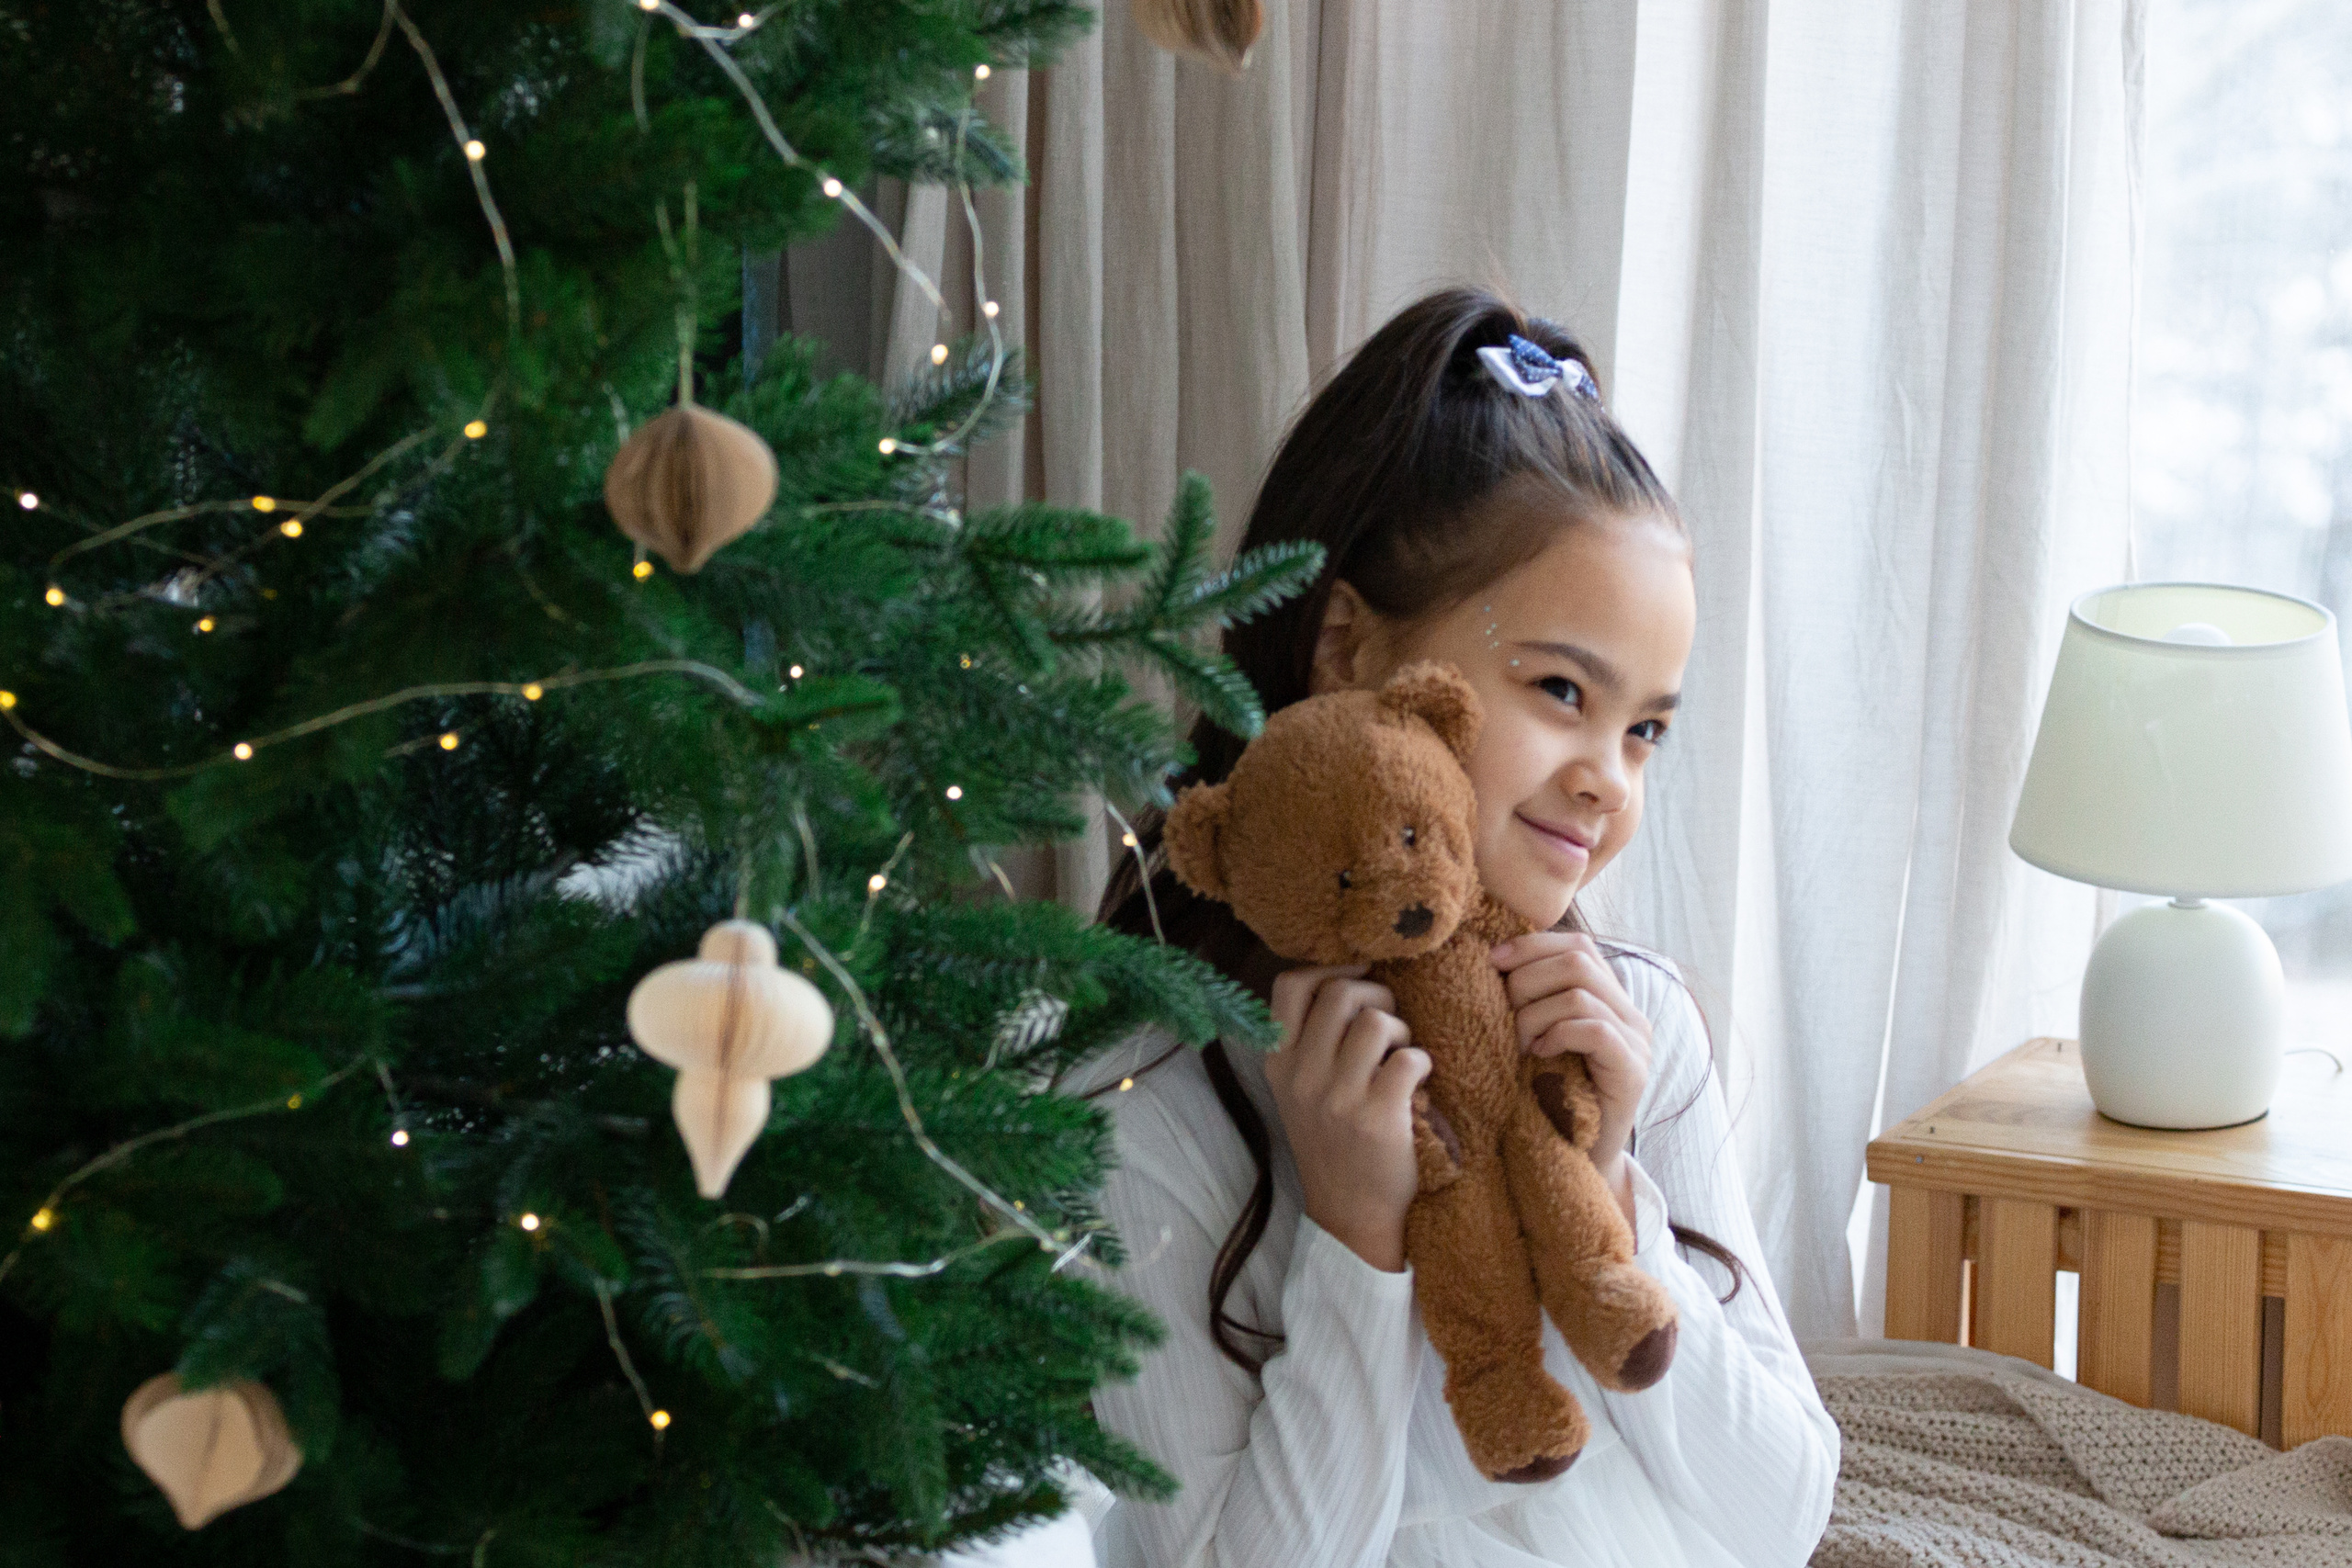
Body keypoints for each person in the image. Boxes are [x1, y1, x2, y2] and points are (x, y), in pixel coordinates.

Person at [1071, 288, 1839, 1568]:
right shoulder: (1149, 1097)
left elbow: (1785, 1513)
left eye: (1646, 728)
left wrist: (1608, 1198)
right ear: (1349, 652)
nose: (1611, 778)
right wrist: (1354, 1244)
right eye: (1559, 690)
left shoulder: (1628, 1026)